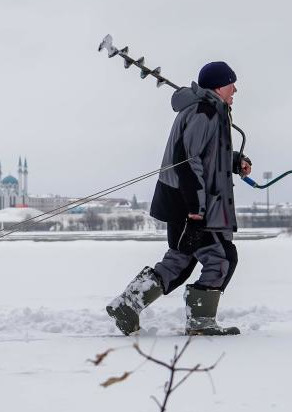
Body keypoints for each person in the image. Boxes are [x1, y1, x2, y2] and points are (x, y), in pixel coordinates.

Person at [106, 61, 252, 336]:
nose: (235, 90)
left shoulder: (209, 111)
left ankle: (127, 304)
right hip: (193, 204)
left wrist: (235, 162)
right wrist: (196, 209)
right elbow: (187, 161)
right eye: (232, 84)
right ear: (219, 86)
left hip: (188, 201)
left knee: (180, 261)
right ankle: (200, 322)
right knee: (221, 258)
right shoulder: (204, 112)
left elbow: (207, 155)